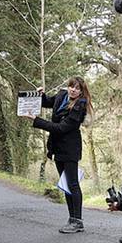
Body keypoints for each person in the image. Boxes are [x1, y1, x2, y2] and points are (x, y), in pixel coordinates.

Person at [25, 77, 93, 234]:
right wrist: (39, 96)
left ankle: (78, 221)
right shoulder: (62, 95)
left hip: (70, 148)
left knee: (73, 184)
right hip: (57, 147)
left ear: (82, 91)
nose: (73, 90)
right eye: (71, 86)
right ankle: (72, 218)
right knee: (65, 184)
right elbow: (49, 102)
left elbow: (61, 128)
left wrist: (37, 121)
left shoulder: (80, 106)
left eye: (77, 88)